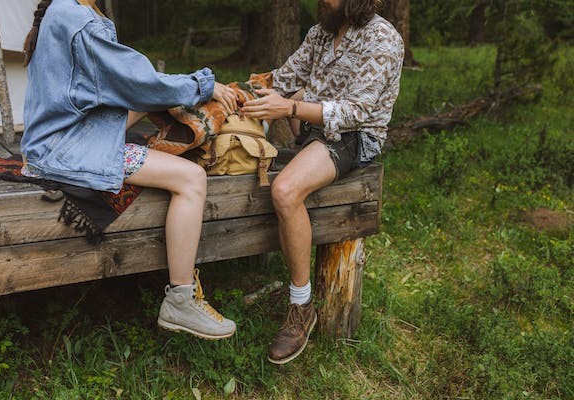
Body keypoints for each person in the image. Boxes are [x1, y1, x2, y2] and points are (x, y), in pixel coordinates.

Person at [20, 0, 239, 340]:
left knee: (155, 97)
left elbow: (129, 85)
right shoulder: (78, 18)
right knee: (191, 179)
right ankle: (181, 300)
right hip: (66, 149)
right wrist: (203, 87)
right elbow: (139, 82)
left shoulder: (64, 11)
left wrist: (170, 93)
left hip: (52, 138)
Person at [241, 0, 404, 363]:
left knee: (284, 191)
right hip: (315, 128)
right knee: (284, 101)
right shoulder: (322, 32)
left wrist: (290, 108)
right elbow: (283, 78)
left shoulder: (382, 38)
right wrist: (226, 93)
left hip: (354, 136)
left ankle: (301, 307)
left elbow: (355, 112)